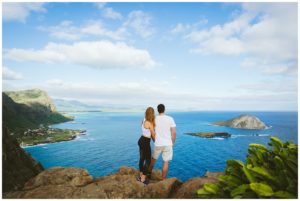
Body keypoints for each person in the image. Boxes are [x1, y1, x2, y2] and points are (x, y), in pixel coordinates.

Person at [149, 104, 176, 180]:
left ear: (158, 110)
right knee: (165, 162)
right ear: (164, 110)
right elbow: (173, 133)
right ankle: (163, 179)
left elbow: (152, 132)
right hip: (168, 144)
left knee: (153, 160)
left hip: (158, 143)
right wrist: (172, 143)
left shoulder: (154, 119)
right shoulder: (170, 119)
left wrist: (155, 140)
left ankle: (148, 176)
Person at [137, 107, 156, 185]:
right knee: (148, 160)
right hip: (145, 142)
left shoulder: (143, 119)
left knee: (142, 158)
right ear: (152, 114)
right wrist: (156, 141)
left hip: (141, 140)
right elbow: (153, 135)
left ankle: (140, 175)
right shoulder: (149, 123)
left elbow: (145, 131)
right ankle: (143, 179)